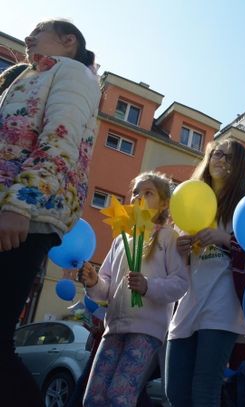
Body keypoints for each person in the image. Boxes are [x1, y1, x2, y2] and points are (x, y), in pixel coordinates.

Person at [0, 19, 100, 407]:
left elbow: (61, 140)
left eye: (38, 32)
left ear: (68, 41)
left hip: (25, 216)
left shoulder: (72, 73)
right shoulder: (27, 77)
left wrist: (19, 206)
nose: (27, 38)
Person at [79, 171, 189, 406]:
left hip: (147, 331)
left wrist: (148, 286)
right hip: (114, 327)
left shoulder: (168, 238)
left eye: (148, 193)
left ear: (163, 204)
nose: (139, 197)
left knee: (120, 397)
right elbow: (106, 287)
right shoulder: (121, 239)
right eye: (135, 192)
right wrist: (94, 282)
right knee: (93, 398)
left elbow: (180, 283)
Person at [165, 138, 245, 407]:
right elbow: (181, 266)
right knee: (175, 391)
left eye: (228, 157)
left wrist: (224, 238)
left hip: (223, 305)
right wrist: (180, 250)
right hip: (190, 302)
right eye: (216, 154)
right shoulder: (192, 199)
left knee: (205, 389)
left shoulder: (244, 206)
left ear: (238, 166)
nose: (219, 160)